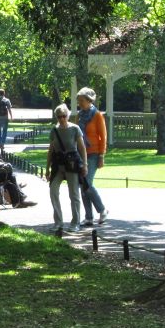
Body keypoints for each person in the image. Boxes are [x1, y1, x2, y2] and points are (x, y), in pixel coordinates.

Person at [47, 104, 88, 232]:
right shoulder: (54, 130)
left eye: (64, 116)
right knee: (53, 191)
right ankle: (58, 222)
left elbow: (82, 148)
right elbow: (51, 150)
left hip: (72, 164)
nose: (62, 119)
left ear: (68, 116)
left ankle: (75, 222)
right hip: (58, 165)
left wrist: (85, 165)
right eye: (59, 117)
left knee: (74, 194)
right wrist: (47, 168)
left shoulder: (75, 129)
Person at [75, 87, 109, 227]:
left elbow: (103, 136)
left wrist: (101, 155)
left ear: (89, 101)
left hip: (94, 153)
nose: (80, 103)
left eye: (82, 101)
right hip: (81, 153)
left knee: (87, 183)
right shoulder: (79, 115)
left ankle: (102, 210)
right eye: (79, 101)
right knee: (83, 186)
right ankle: (89, 217)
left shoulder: (97, 115)